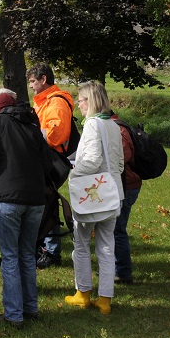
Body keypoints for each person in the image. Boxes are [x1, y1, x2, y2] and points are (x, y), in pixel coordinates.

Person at [0, 88, 56, 328]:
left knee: (10, 256)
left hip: (8, 197)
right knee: (27, 254)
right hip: (36, 198)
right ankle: (30, 307)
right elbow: (47, 164)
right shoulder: (32, 126)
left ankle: (14, 314)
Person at [64, 81, 124, 315]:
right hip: (113, 192)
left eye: (80, 100)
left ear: (89, 101)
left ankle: (83, 293)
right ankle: (105, 300)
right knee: (107, 246)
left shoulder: (91, 125)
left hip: (94, 195)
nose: (79, 105)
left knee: (81, 244)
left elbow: (91, 161)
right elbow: (118, 162)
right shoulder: (113, 125)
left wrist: (72, 171)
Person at [27, 63, 75, 269]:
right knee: (46, 202)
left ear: (44, 79)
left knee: (49, 204)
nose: (30, 86)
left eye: (32, 81)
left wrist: (32, 137)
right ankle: (46, 248)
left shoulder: (55, 103)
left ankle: (51, 251)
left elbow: (56, 134)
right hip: (45, 158)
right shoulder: (45, 102)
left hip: (51, 160)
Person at [111, 111, 142, 286]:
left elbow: (123, 157)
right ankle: (116, 268)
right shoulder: (118, 127)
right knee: (115, 228)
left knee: (117, 229)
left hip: (127, 185)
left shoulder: (118, 130)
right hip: (126, 183)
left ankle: (123, 272)